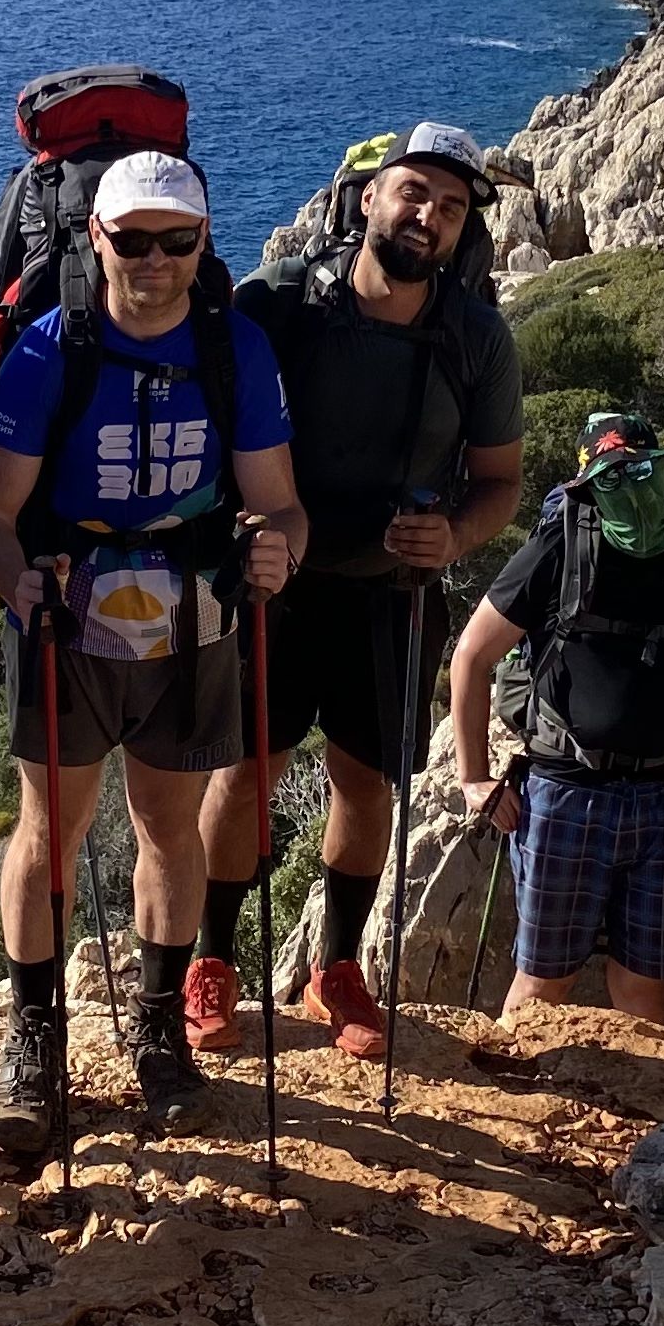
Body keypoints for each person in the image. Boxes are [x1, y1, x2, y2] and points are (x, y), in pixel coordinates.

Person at [0, 151, 302, 1148]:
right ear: (97, 240)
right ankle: (37, 1042)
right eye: (133, 240)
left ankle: (159, 1030)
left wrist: (279, 554)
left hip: (192, 617)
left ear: (203, 243)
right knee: (49, 830)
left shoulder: (234, 349)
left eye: (177, 240)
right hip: (66, 619)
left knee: (169, 823)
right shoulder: (47, 350)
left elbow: (280, 502)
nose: (154, 259)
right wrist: (13, 583)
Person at [206, 122, 524, 1060]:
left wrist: (456, 532)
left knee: (363, 779)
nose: (430, 216)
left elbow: (500, 478)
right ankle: (212, 961)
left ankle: (336, 968)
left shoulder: (476, 339)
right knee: (246, 771)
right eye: (414, 193)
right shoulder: (278, 306)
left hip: (391, 594)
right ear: (369, 197)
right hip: (272, 581)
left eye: (454, 207)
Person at [444, 413, 664, 1029]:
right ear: (589, 488)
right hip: (566, 788)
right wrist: (473, 778)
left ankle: (649, 1124)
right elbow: (472, 656)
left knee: (645, 993)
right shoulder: (561, 545)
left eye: (643, 471)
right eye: (613, 478)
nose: (632, 489)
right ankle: (518, 1109)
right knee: (541, 984)